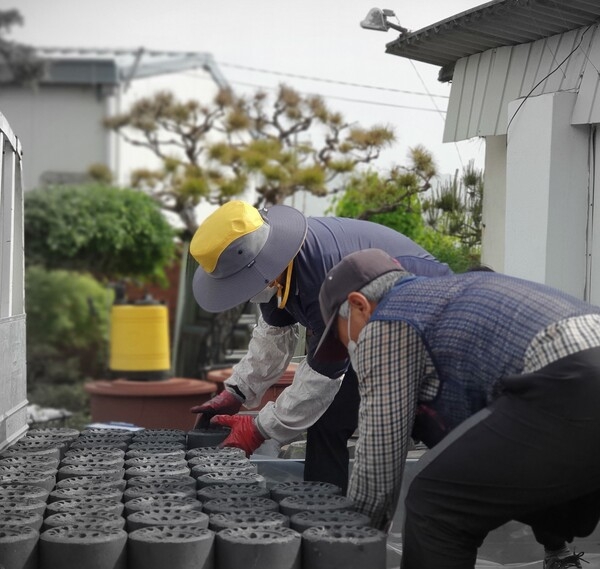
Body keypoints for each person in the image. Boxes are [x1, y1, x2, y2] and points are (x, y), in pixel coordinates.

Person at [316, 248, 600, 569]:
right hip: (582, 369)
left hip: (577, 379)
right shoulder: (448, 296)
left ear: (358, 305)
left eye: (341, 339)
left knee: (435, 505)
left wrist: (353, 548)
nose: (347, 349)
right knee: (474, 473)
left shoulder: (388, 321)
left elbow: (379, 460)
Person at [188, 200, 451, 493]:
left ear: (256, 265)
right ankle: (325, 509)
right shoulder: (278, 272)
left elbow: (323, 375)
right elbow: (273, 338)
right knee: (328, 422)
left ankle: (339, 518)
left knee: (364, 421)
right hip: (367, 324)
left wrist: (260, 430)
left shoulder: (325, 277)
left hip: (417, 316)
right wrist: (237, 391)